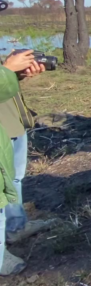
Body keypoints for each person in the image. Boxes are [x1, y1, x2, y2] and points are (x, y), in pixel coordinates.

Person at [0, 50, 54, 258]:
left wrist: (16, 73)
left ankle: (16, 227)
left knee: (14, 181)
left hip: (12, 126)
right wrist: (7, 70)